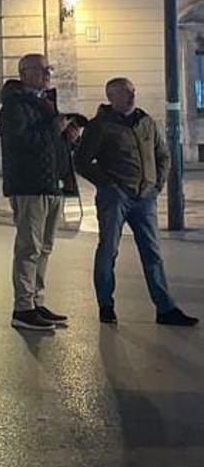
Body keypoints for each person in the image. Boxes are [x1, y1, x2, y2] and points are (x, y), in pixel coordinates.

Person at [74, 78, 198, 327]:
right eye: (124, 93)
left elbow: (163, 154)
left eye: (132, 91)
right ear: (111, 97)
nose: (131, 96)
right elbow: (82, 161)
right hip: (115, 197)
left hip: (145, 198)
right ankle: (106, 305)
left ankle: (165, 308)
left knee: (152, 253)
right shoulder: (100, 126)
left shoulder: (146, 122)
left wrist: (157, 183)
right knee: (108, 250)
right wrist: (108, 184)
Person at [0, 54, 69, 334]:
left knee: (44, 248)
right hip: (28, 186)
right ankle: (23, 308)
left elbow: (49, 142)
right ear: (25, 73)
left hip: (51, 184)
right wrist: (54, 128)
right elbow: (21, 143)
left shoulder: (43, 103)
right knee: (29, 248)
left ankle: (36, 301)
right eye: (42, 69)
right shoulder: (14, 107)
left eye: (48, 69)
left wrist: (66, 137)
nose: (47, 73)